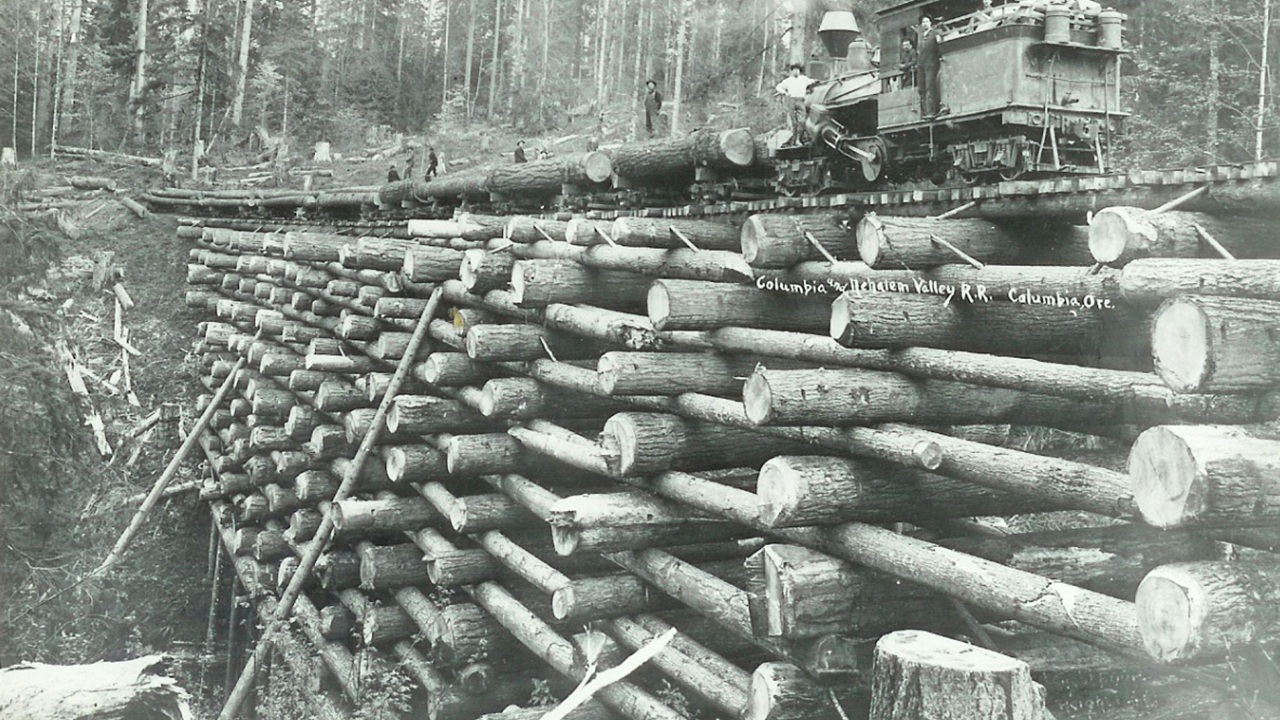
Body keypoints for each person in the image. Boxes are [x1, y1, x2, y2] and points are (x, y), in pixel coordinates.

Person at [774, 63, 814, 141]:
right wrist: (784, 93)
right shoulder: (788, 81)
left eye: (798, 70)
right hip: (792, 100)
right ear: (792, 71)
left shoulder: (803, 79)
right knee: (794, 122)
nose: (796, 71)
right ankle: (794, 139)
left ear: (800, 71)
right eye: (794, 70)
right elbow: (778, 87)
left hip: (800, 100)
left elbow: (812, 81)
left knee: (802, 121)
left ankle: (799, 139)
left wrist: (816, 81)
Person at [917, 16, 941, 117]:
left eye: (927, 21)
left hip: (931, 63)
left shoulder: (935, 33)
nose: (925, 24)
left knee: (930, 86)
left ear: (930, 23)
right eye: (923, 22)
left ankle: (932, 111)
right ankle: (925, 112)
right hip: (921, 64)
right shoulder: (920, 36)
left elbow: (939, 47)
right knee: (921, 88)